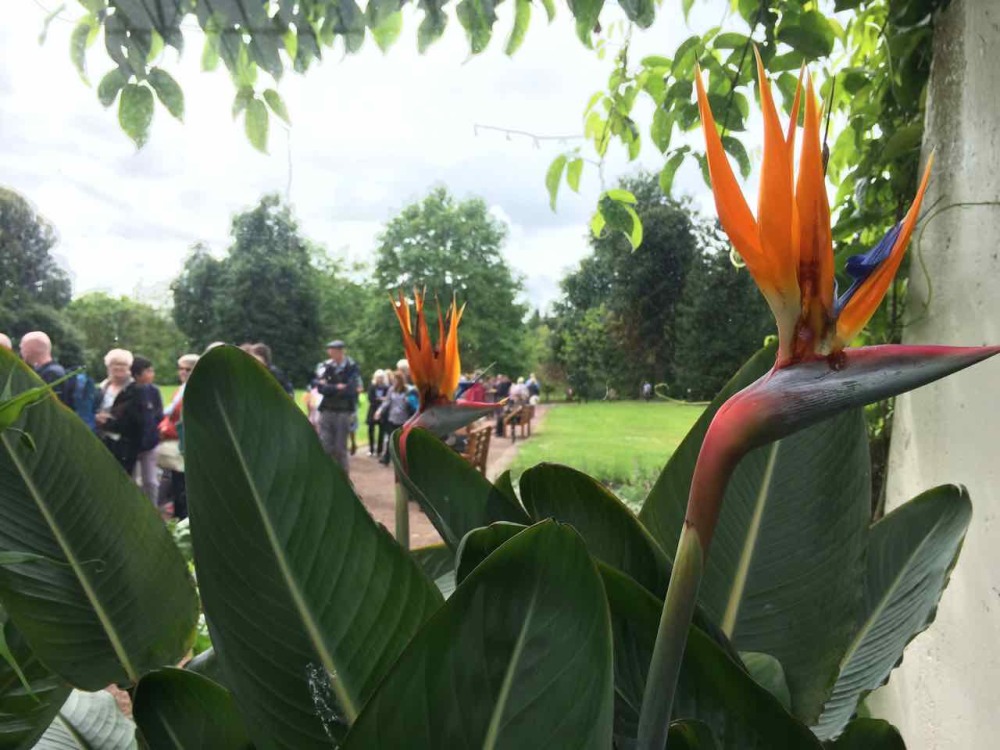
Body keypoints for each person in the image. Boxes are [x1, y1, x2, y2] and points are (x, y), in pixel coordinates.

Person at [157, 354, 198, 520]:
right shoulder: (181, 388)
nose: (183, 372)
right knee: (175, 484)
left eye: (188, 369)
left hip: (184, 443)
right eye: (181, 368)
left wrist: (166, 430)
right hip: (173, 441)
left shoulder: (194, 390)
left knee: (183, 486)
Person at [313, 340, 361, 474]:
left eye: (333, 350)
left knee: (340, 449)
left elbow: (351, 389)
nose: (330, 353)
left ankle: (343, 478)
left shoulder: (352, 367)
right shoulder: (325, 366)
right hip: (327, 410)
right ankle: (326, 475)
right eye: (329, 350)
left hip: (343, 412)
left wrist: (330, 388)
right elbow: (320, 387)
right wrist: (337, 387)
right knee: (325, 446)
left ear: (341, 351)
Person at [95, 349, 144, 474]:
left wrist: (106, 422)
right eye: (114, 364)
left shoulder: (136, 390)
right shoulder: (102, 388)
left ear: (129, 367)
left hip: (124, 445)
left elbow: (135, 420)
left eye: (123, 364)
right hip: (101, 440)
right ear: (108, 367)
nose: (118, 367)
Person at [130, 356, 163, 504]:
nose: (152, 374)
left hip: (150, 443)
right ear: (137, 375)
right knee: (131, 481)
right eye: (148, 371)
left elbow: (158, 414)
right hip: (131, 444)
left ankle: (153, 511)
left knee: (150, 481)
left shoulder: (154, 391)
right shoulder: (129, 392)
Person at [377, 371, 415, 466]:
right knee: (391, 439)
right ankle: (386, 459)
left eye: (396, 380)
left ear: (400, 380)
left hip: (403, 419)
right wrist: (379, 411)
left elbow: (413, 403)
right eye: (393, 380)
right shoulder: (391, 390)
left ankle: (403, 461)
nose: (394, 382)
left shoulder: (408, 390)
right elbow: (387, 402)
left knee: (402, 441)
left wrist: (408, 401)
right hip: (392, 418)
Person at [19, 331, 67, 402]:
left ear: (33, 349)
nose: (21, 352)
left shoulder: (52, 374)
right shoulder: (44, 371)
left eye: (22, 348)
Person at [366, 370, 389, 457]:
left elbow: (387, 399)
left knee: (381, 431)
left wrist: (380, 399)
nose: (380, 379)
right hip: (372, 410)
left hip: (382, 411)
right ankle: (371, 449)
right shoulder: (372, 386)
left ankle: (379, 450)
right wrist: (380, 399)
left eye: (381, 377)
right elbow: (370, 398)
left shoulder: (386, 387)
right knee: (370, 430)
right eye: (378, 377)